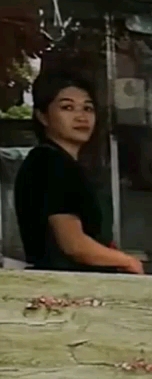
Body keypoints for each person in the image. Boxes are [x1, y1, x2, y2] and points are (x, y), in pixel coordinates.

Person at [12, 70, 142, 273]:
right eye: (67, 107)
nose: (81, 116)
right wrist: (127, 261)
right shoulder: (51, 163)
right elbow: (74, 244)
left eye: (88, 108)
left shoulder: (64, 164)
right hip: (67, 287)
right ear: (42, 116)